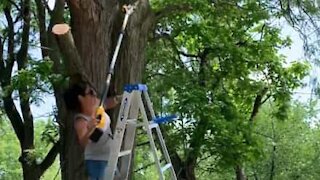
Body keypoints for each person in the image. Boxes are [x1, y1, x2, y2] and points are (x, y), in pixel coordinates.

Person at [63, 81, 122, 180]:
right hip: (98, 162)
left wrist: (123, 97)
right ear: (81, 98)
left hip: (109, 158)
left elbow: (108, 103)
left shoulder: (97, 107)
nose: (94, 94)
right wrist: (90, 130)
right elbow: (83, 142)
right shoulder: (81, 121)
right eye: (90, 92)